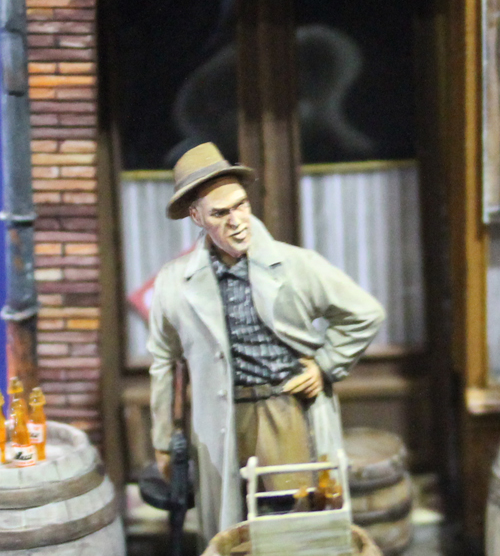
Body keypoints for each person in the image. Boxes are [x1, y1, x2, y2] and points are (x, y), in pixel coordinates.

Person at [146, 143, 384, 536]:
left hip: (285, 409)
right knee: (231, 528)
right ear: (197, 217)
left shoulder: (296, 265)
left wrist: (325, 365)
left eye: (241, 205)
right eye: (220, 213)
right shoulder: (175, 283)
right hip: (220, 418)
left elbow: (365, 313)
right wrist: (163, 440)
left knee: (296, 523)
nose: (237, 221)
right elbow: (163, 361)